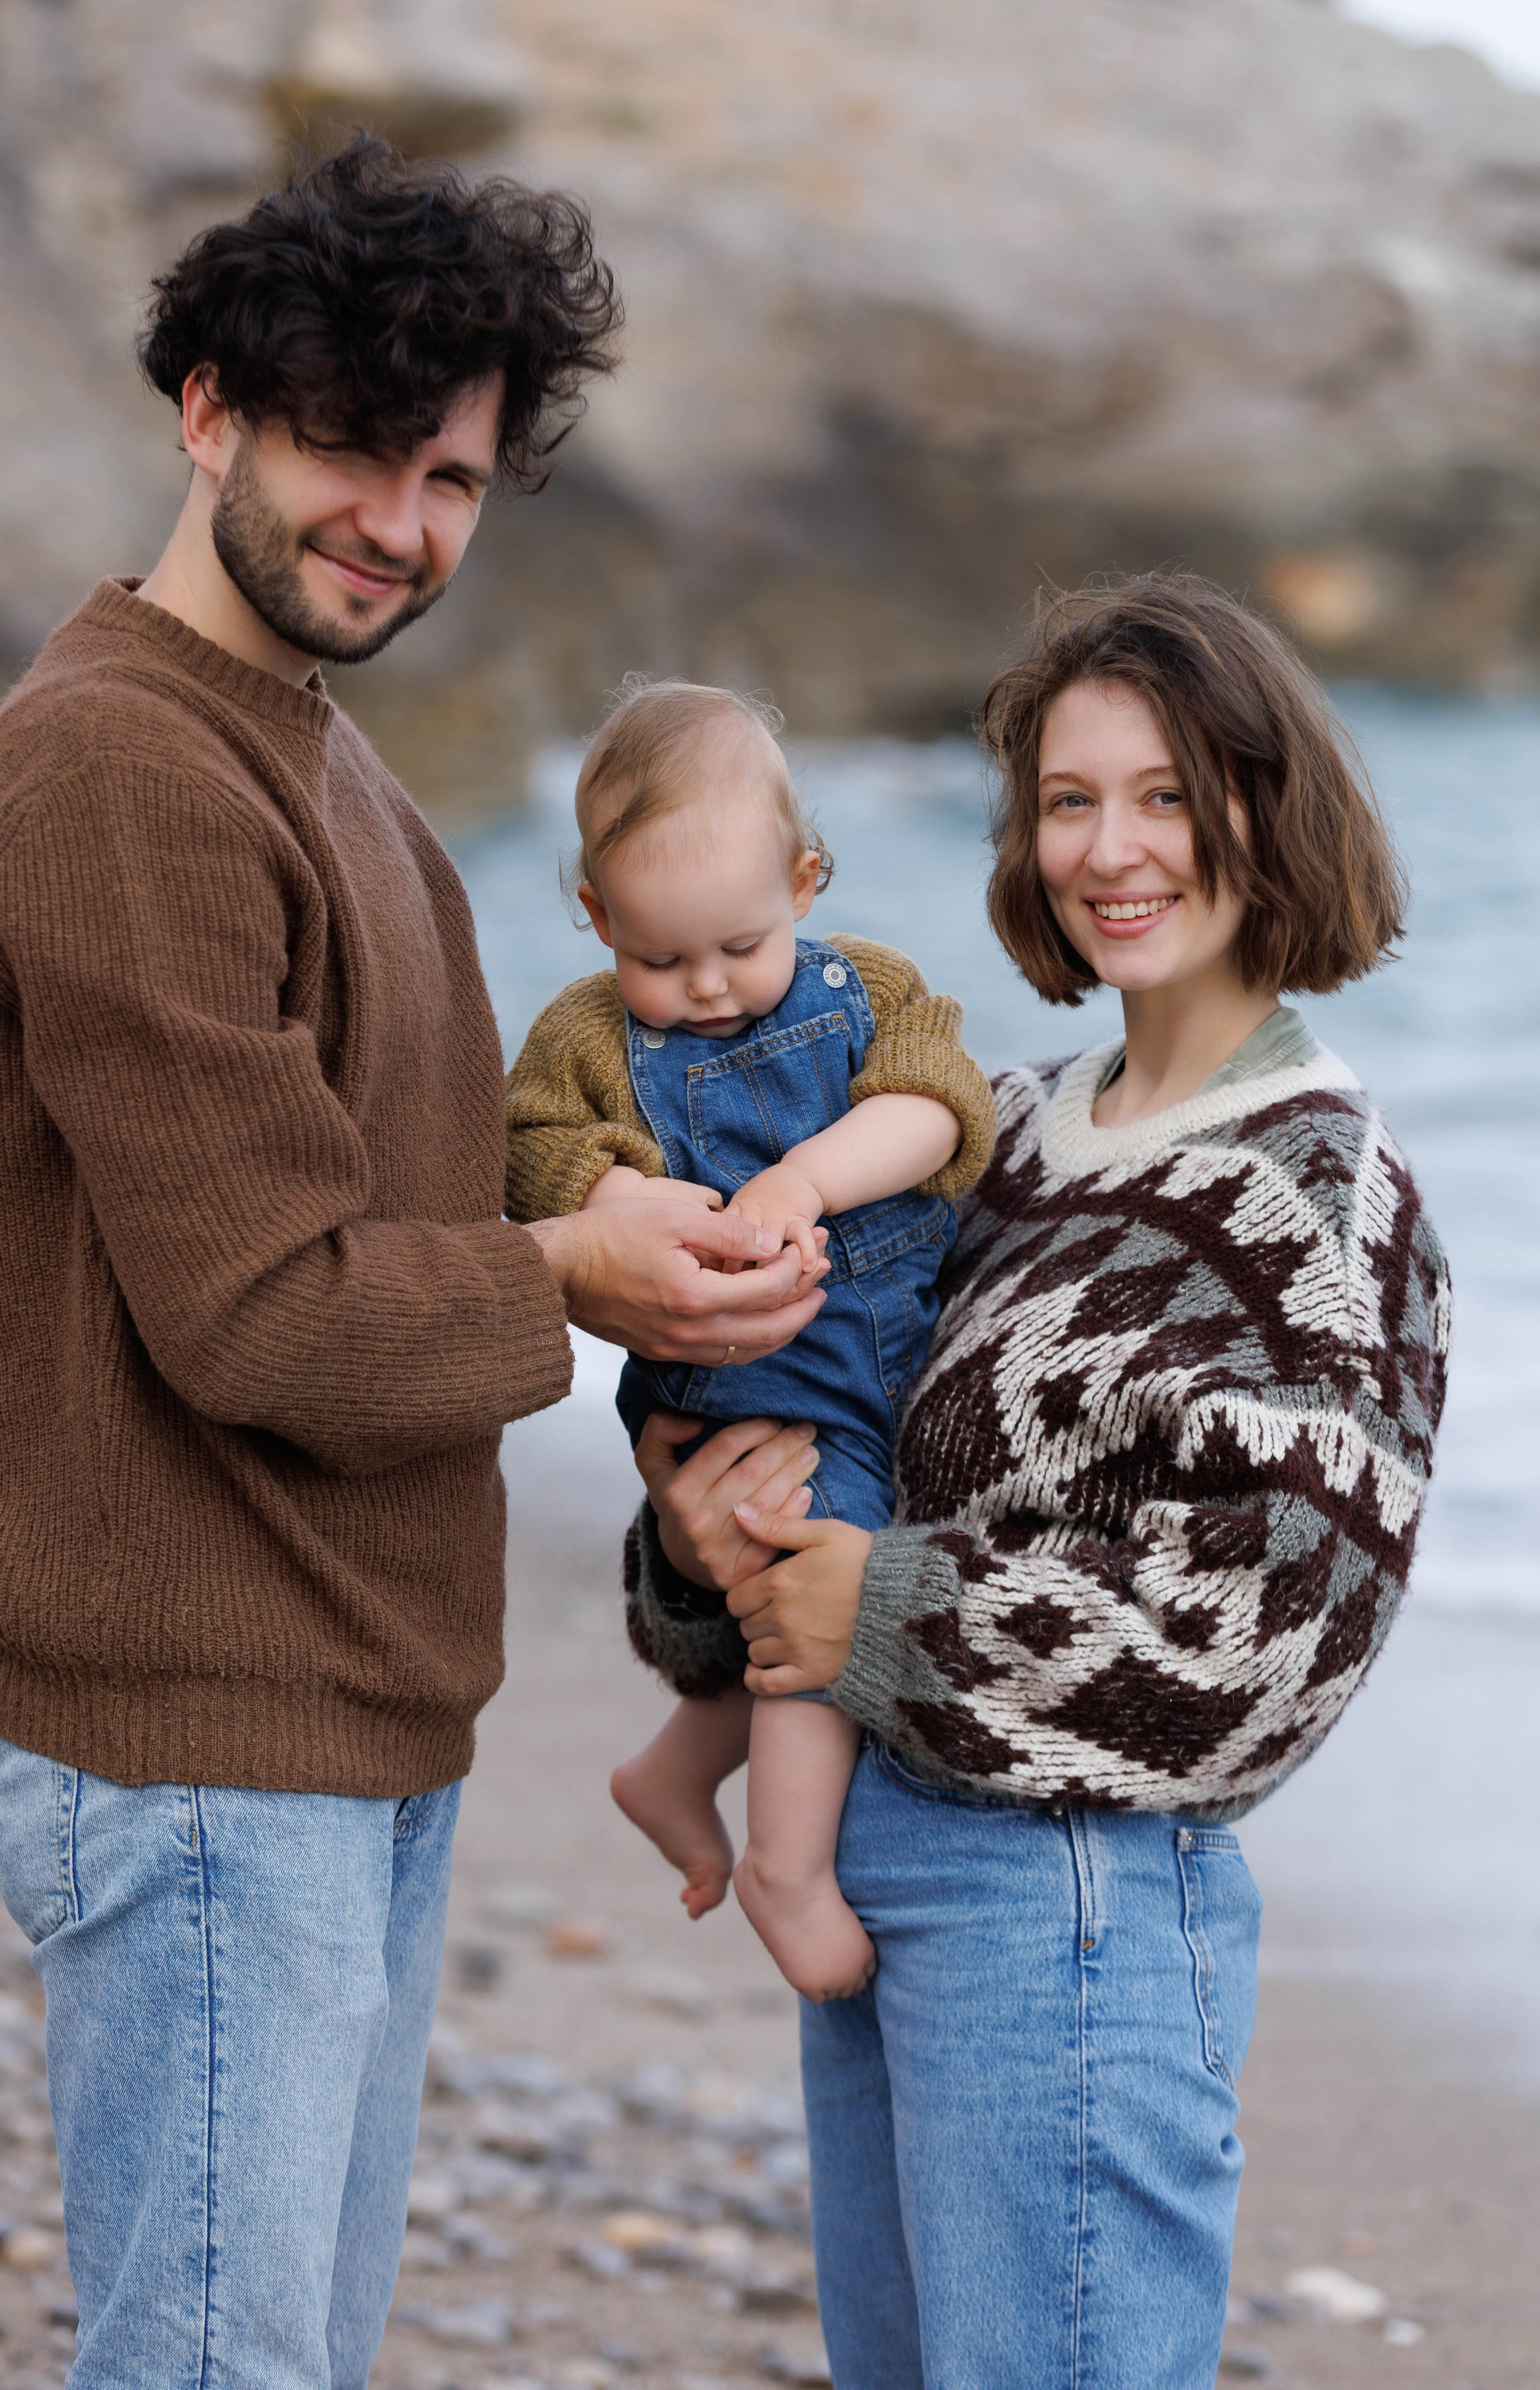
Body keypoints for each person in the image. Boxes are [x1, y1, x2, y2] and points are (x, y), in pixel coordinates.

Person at [0, 138, 831, 2390]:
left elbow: (409, 1217)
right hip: (203, 1746)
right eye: (354, 444)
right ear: (209, 405)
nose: (402, 526)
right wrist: (582, 1281)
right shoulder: (127, 777)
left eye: (453, 477)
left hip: (332, 1728)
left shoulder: (317, 770)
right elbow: (270, 1315)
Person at [622, 574, 1451, 2390]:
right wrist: (705, 1544)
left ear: (1269, 804)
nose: (1110, 846)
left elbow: (1271, 1646)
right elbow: (819, 1424)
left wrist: (883, 1619)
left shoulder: (1318, 1198)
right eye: (1069, 800)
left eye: (1166, 792)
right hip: (875, 1867)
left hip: (1067, 1908)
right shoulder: (994, 1134)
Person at [505, 680, 997, 1998]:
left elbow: (939, 1111)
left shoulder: (869, 990)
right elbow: (538, 1152)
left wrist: (801, 1185)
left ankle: (673, 1769)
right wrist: (625, 1204)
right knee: (812, 1587)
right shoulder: (583, 1036)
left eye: (739, 944)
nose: (708, 989)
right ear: (598, 917)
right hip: (748, 1384)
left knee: (793, 1568)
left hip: (876, 1360)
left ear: (806, 877)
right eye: (659, 960)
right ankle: (788, 1870)